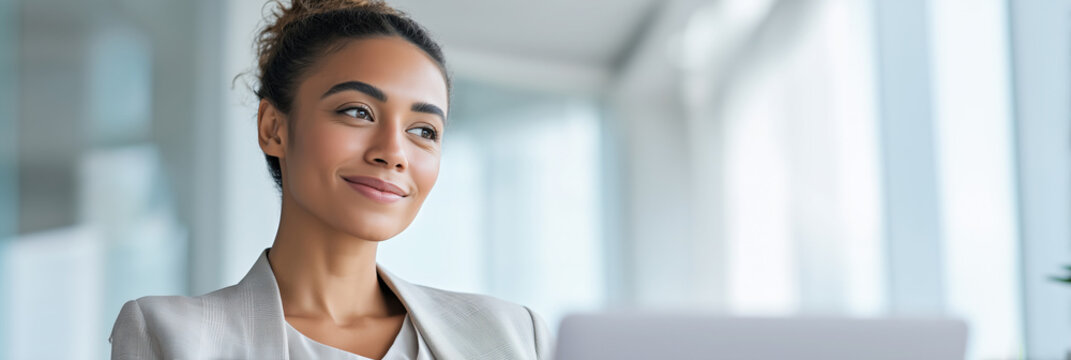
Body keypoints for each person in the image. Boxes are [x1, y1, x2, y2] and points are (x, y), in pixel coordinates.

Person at [108, 1, 552, 358]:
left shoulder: (512, 334)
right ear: (273, 129)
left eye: (423, 131)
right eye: (357, 111)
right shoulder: (174, 338)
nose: (393, 153)